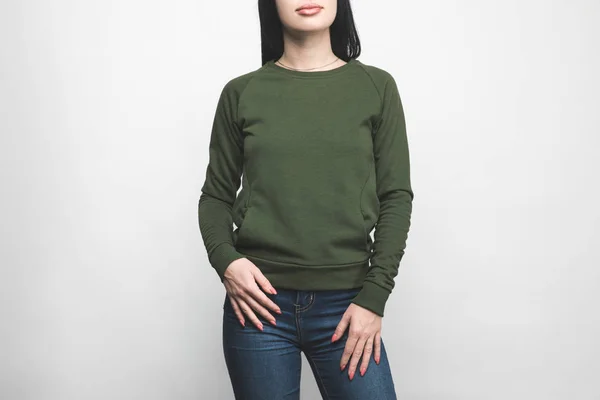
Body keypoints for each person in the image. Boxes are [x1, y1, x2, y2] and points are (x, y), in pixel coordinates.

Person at [197, 0, 413, 398]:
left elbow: (396, 197)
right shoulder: (242, 93)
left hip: (348, 305)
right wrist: (226, 261)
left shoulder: (376, 87)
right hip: (259, 306)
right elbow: (215, 196)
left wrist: (374, 298)